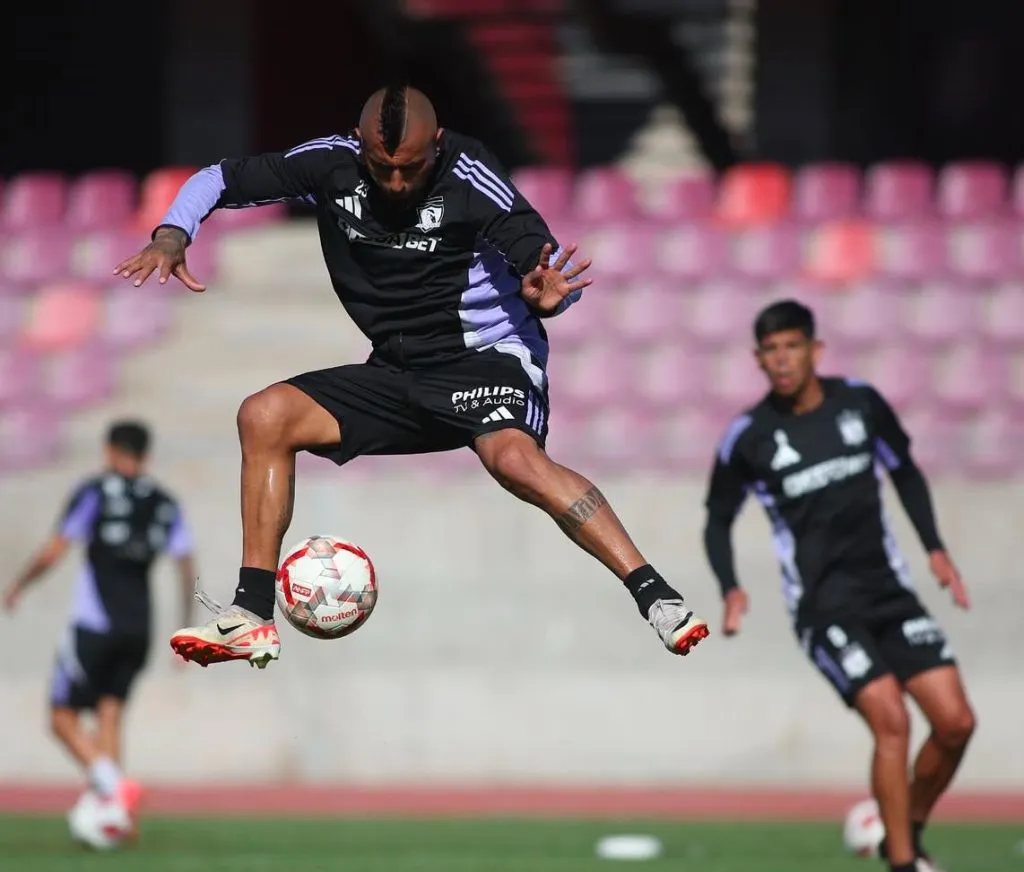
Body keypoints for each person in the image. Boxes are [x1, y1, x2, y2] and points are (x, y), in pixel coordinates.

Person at [112, 84, 708, 668]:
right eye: (382, 169)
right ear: (359, 147)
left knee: (514, 460)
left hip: (487, 358)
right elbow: (215, 178)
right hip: (398, 371)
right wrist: (172, 233)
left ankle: (657, 597)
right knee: (263, 415)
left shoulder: (471, 173)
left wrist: (551, 297)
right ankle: (252, 614)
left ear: (438, 145)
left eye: (411, 169)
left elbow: (538, 259)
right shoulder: (330, 164)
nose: (396, 182)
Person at [702, 301, 975, 872]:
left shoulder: (861, 404)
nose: (781, 361)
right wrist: (731, 586)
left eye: (791, 347)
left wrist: (935, 548)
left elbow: (905, 472)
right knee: (892, 722)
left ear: (815, 351)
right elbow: (718, 518)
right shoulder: (748, 437)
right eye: (770, 351)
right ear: (757, 360)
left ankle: (903, 829)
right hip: (824, 609)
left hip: (889, 592)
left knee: (956, 723)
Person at [3, 420, 196, 832]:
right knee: (110, 714)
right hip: (139, 626)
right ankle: (115, 816)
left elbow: (57, 549)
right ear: (146, 456)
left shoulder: (94, 492)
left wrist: (19, 584)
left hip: (94, 622)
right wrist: (186, 628)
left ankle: (114, 785)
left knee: (60, 717)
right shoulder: (165, 502)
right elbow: (185, 564)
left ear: (110, 450)